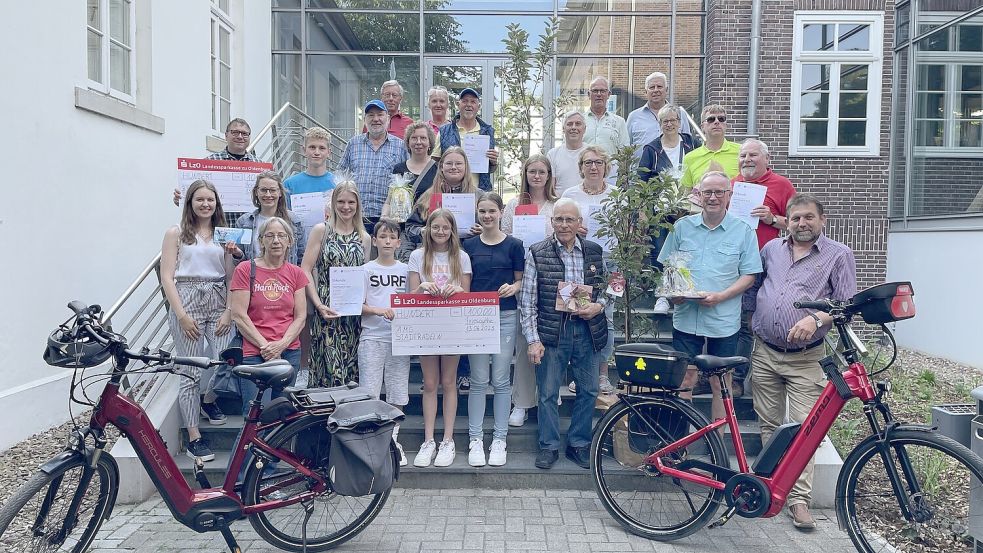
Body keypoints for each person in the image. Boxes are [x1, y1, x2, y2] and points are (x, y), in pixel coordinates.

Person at [749, 193, 857, 530]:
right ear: (787, 221)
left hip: (806, 358)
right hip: (764, 352)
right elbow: (757, 288)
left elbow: (846, 305)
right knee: (769, 426)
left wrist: (818, 318)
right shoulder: (771, 250)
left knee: (803, 431)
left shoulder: (839, 255)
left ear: (822, 220)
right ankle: (771, 488)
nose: (802, 224)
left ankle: (798, 500)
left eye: (809, 217)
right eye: (796, 218)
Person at [657, 171, 762, 424]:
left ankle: (718, 442)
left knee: (721, 384)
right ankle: (678, 445)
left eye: (719, 192)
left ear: (729, 195)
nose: (713, 197)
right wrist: (673, 295)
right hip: (686, 318)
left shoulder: (744, 230)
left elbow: (749, 275)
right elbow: (668, 268)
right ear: (699, 195)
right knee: (685, 380)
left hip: (723, 320)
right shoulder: (682, 227)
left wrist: (722, 296)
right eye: (707, 192)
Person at [519, 198, 609, 470]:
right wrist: (533, 339)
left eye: (570, 219)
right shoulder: (537, 252)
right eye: (559, 219)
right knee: (547, 392)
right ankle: (548, 446)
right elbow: (527, 300)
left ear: (579, 223)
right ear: (552, 222)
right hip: (552, 332)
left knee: (590, 390)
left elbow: (607, 289)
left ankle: (579, 444)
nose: (564, 225)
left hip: (587, 330)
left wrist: (599, 306)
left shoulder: (594, 251)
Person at [160, 180, 235, 462]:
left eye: (210, 200)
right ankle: (194, 436)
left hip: (217, 297)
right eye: (200, 199)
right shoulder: (176, 233)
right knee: (189, 372)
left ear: (217, 203)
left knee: (226, 360)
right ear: (189, 202)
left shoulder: (223, 233)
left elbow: (229, 275)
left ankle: (210, 399)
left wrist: (229, 309)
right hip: (187, 297)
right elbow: (167, 276)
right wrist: (181, 314)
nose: (205, 204)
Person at [463, 193, 525, 467]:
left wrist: (513, 288)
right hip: (476, 316)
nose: (487, 216)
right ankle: (475, 438)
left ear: (501, 212)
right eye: (482, 211)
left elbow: (521, 281)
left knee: (500, 379)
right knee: (478, 380)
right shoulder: (468, 245)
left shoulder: (515, 245)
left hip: (506, 315)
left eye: (491, 211)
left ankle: (500, 438)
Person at [732, 138, 797, 396]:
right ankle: (714, 375)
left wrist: (772, 218)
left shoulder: (782, 185)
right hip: (731, 261)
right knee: (726, 320)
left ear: (767, 159)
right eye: (743, 155)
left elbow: (797, 224)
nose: (747, 159)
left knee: (748, 321)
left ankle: (737, 378)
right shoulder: (732, 184)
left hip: (764, 263)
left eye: (753, 155)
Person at [409, 208, 473, 468]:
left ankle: (448, 439)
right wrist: (423, 287)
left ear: (452, 230)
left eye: (445, 227)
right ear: (428, 229)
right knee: (430, 382)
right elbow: (410, 295)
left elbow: (467, 296)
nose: (440, 232)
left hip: (452, 324)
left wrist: (457, 289)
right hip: (426, 324)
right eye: (435, 227)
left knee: (449, 382)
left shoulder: (462, 257)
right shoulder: (417, 256)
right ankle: (428, 440)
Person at [229, 217, 308, 412]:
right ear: (261, 240)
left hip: (289, 352)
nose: (276, 241)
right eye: (270, 235)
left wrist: (281, 345)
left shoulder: (296, 273)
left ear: (289, 241)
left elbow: (300, 317)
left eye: (281, 236)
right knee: (254, 415)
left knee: (283, 415)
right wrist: (266, 347)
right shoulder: (245, 269)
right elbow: (238, 315)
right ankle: (250, 445)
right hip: (254, 354)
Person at [502, 155, 559, 427]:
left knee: (551, 340)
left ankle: (549, 396)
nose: (536, 176)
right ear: (524, 174)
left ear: (549, 176)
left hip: (551, 278)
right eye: (532, 171)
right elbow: (504, 239)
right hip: (522, 277)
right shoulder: (514, 205)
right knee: (526, 341)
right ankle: (522, 402)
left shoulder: (556, 206)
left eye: (542, 171)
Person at [302, 181, 373, 388]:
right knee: (330, 368)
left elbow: (364, 277)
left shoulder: (364, 238)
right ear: (333, 203)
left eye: (351, 202)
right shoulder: (321, 230)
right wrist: (318, 304)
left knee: (350, 369)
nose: (346, 207)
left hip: (352, 315)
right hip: (326, 309)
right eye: (341, 201)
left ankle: (346, 418)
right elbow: (305, 269)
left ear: (358, 205)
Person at [560, 146, 617, 395]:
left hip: (613, 261)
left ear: (606, 167)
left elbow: (629, 233)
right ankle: (580, 373)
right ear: (581, 167)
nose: (594, 167)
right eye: (588, 162)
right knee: (579, 314)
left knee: (608, 317)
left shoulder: (618, 195)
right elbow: (560, 225)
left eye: (599, 162)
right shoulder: (570, 195)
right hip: (580, 261)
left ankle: (602, 375)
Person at [638, 103, 700, 315]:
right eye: (665, 121)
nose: (670, 124)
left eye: (673, 120)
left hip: (688, 209)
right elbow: (641, 182)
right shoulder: (651, 149)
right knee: (660, 250)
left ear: (680, 122)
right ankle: (662, 295)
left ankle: (682, 291)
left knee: (686, 250)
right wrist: (643, 211)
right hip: (660, 210)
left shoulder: (692, 144)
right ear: (659, 124)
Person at [359, 219, 411, 466]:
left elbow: (414, 301)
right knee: (369, 390)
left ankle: (392, 440)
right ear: (375, 240)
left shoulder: (406, 269)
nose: (388, 241)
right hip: (372, 337)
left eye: (392, 237)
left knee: (398, 391)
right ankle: (372, 441)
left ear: (399, 243)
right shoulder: (366, 270)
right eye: (383, 237)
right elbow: (356, 305)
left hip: (400, 339)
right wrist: (379, 311)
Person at [338, 99, 409, 228]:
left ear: (387, 118)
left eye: (380, 115)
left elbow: (407, 180)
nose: (376, 119)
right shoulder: (353, 144)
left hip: (388, 220)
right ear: (365, 119)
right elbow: (340, 176)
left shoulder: (400, 146)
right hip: (355, 218)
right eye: (371, 115)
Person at [401, 147, 480, 260]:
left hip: (469, 257)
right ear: (441, 167)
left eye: (458, 163)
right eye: (449, 163)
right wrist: (422, 231)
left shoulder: (479, 196)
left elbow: (494, 229)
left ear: (466, 167)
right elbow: (410, 227)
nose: (453, 167)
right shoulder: (428, 196)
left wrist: (483, 232)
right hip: (433, 258)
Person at [172, 118, 257, 205]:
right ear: (226, 135)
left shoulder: (259, 167)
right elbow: (195, 195)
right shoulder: (207, 164)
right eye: (235, 132)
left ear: (249, 137)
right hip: (217, 218)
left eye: (244, 134)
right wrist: (182, 199)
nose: (240, 136)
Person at [229, 171, 306, 265]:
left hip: (287, 278)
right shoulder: (244, 222)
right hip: (254, 277)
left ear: (280, 192)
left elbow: (302, 258)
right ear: (256, 192)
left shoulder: (294, 220)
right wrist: (237, 254)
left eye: (273, 190)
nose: (268, 195)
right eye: (263, 190)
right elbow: (240, 263)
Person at [435, 88, 499, 191]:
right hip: (451, 191)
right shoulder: (444, 131)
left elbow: (490, 168)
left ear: (478, 106)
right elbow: (435, 162)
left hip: (479, 191)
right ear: (458, 104)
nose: (468, 105)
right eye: (464, 101)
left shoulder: (488, 132)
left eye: (473, 101)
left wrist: (494, 161)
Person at [383, 122, 438, 225]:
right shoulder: (399, 168)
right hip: (402, 228)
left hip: (428, 228)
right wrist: (384, 217)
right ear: (408, 143)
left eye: (423, 138)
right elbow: (389, 200)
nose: (418, 142)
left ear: (430, 142)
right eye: (414, 138)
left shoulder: (438, 169)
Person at [679, 105, 741, 193]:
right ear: (702, 127)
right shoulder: (690, 158)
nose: (716, 122)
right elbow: (686, 194)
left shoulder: (741, 152)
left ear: (726, 125)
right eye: (711, 119)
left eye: (721, 119)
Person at [626, 72, 695, 148]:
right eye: (652, 87)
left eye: (659, 86)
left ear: (666, 90)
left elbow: (687, 143)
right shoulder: (634, 117)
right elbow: (626, 146)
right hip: (643, 160)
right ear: (646, 91)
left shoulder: (680, 114)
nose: (656, 90)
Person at [583, 76, 630, 156]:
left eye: (602, 91)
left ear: (608, 94)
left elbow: (625, 154)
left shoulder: (619, 122)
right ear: (588, 94)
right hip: (583, 168)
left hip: (610, 168)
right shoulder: (579, 121)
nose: (599, 94)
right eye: (595, 91)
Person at [283, 127, 336, 198]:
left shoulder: (337, 184)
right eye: (312, 147)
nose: (317, 152)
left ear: (329, 152)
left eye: (322, 148)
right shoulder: (290, 184)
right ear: (304, 150)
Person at [547, 111, 589, 195]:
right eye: (569, 124)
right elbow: (550, 188)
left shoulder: (591, 153)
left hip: (586, 203)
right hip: (560, 204)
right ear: (563, 129)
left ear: (584, 129)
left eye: (578, 124)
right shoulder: (553, 154)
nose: (573, 127)